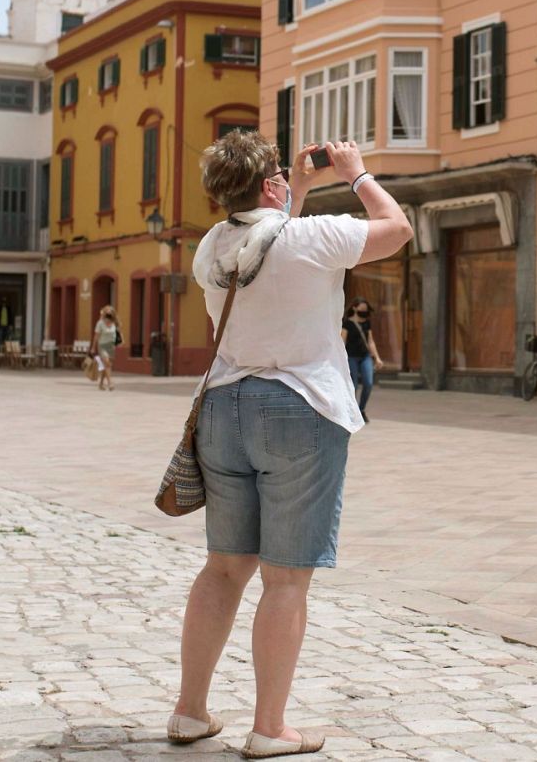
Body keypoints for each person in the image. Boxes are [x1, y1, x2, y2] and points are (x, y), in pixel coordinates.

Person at [170, 133, 412, 759]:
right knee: (284, 581)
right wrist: (356, 175)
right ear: (270, 185)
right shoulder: (314, 238)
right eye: (279, 176)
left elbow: (269, 242)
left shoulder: (213, 247)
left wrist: (295, 190)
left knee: (223, 569)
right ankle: (269, 728)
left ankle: (190, 712)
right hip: (299, 409)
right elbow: (397, 228)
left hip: (225, 408)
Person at [340, 297, 383, 423]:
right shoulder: (347, 324)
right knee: (352, 385)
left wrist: (377, 358)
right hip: (351, 357)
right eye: (362, 309)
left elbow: (370, 341)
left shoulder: (366, 323)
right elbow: (342, 341)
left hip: (365, 357)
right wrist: (340, 358)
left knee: (368, 383)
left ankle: (361, 409)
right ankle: (352, 411)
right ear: (354, 308)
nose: (364, 311)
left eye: (366, 309)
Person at [92, 306, 121, 392]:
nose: (109, 313)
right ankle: (110, 383)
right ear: (104, 313)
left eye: (111, 312)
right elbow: (96, 336)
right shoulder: (100, 323)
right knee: (107, 363)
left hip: (111, 346)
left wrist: (117, 342)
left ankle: (101, 383)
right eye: (107, 312)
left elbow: (116, 333)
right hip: (102, 345)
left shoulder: (114, 323)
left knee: (107, 365)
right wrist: (93, 347)